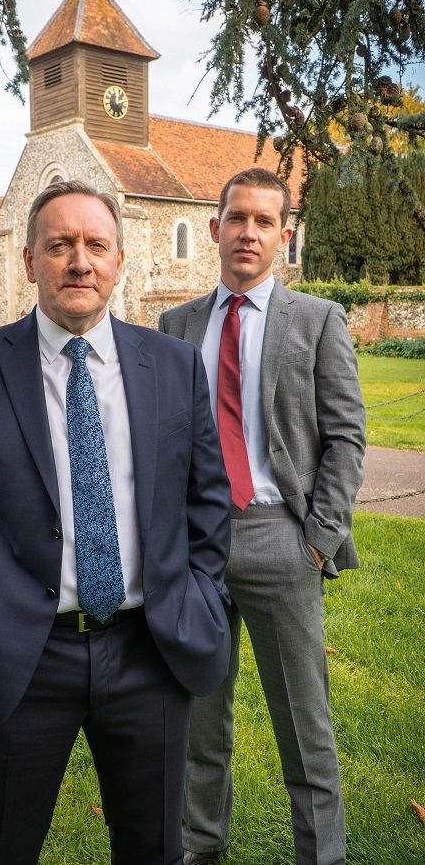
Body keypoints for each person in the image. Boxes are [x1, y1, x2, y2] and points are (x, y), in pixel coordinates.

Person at [0, 180, 232, 865]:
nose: (79, 261)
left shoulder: (174, 367)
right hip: (20, 658)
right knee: (2, 847)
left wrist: (201, 596)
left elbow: (206, 503)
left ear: (119, 262)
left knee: (153, 850)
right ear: (28, 262)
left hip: (150, 650)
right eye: (59, 245)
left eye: (95, 245)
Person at [159, 168, 366, 865]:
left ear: (284, 235)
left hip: (283, 539)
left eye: (263, 221)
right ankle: (201, 848)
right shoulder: (177, 324)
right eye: (236, 218)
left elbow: (345, 437)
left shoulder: (317, 320)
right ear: (215, 228)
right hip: (198, 551)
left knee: (305, 725)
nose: (248, 232)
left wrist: (317, 540)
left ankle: (322, 855)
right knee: (199, 721)